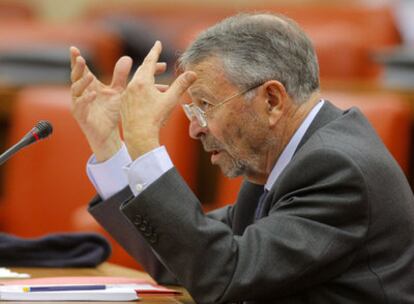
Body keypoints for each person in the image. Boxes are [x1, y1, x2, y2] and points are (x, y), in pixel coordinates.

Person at [70, 13, 414, 304]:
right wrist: (110, 146)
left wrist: (146, 144)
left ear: (272, 100)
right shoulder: (281, 162)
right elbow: (181, 260)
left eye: (205, 106)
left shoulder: (337, 170)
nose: (194, 129)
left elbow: (223, 275)